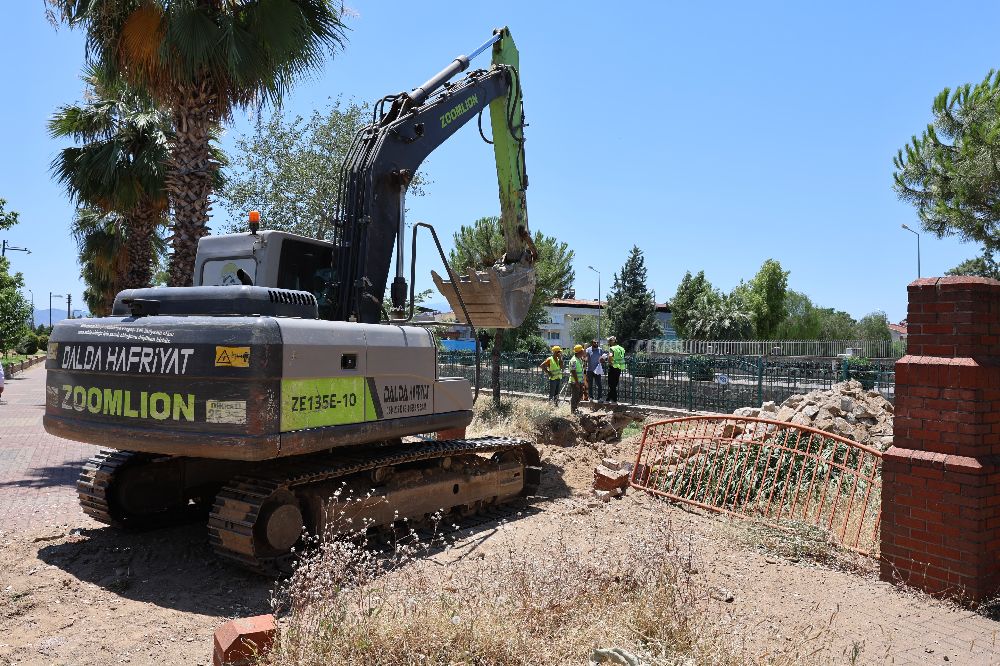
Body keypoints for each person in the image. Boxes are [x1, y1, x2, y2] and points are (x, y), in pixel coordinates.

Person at [607, 335, 626, 403]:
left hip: (613, 367)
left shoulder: (612, 348)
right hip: (619, 367)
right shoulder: (621, 348)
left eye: (609, 341)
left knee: (611, 384)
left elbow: (610, 356)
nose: (608, 343)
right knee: (614, 384)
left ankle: (614, 400)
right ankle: (609, 398)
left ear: (612, 342)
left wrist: (609, 362)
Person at [569, 344, 587, 413]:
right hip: (575, 382)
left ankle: (575, 408)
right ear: (579, 352)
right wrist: (576, 382)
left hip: (579, 381)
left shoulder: (579, 359)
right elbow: (573, 371)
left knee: (579, 396)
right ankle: (573, 411)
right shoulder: (573, 360)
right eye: (582, 351)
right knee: (575, 396)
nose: (583, 352)